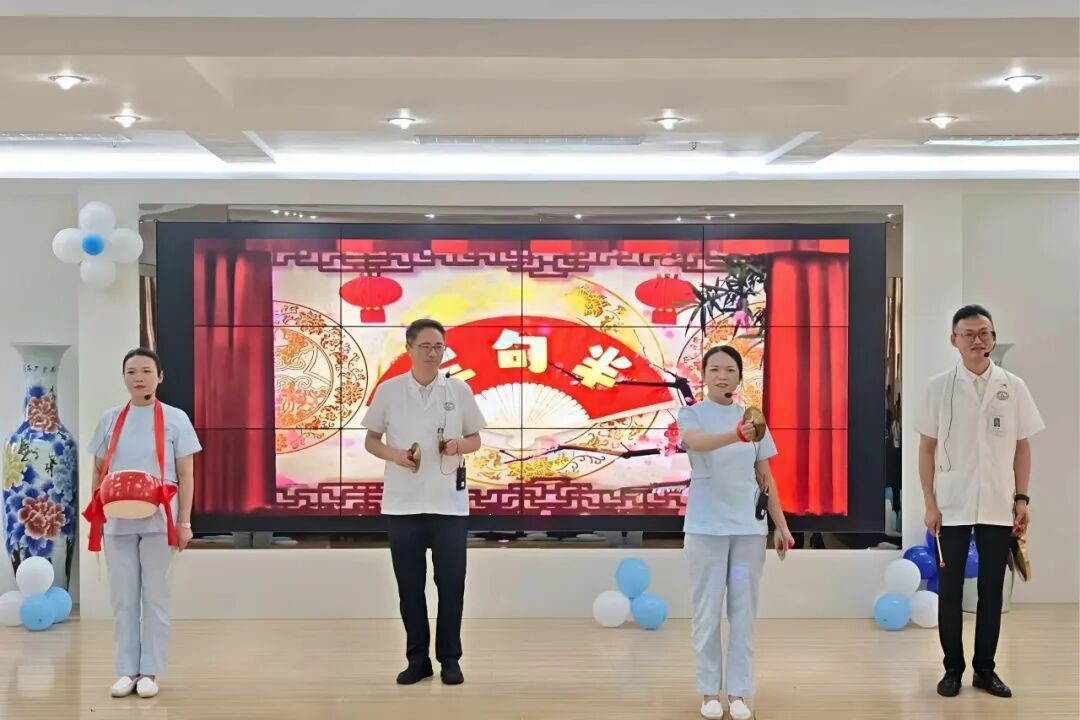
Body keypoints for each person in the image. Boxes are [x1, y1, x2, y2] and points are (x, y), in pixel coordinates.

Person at [917, 305, 1044, 699]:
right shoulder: (939, 387)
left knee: (991, 589)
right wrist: (930, 503)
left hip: (997, 502)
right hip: (951, 504)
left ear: (993, 337)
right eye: (968, 333)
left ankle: (985, 670)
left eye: (984, 333)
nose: (977, 340)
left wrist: (1021, 497)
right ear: (953, 340)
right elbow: (926, 448)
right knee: (950, 590)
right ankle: (952, 669)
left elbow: (1022, 446)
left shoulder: (1013, 386)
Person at [362, 319, 486, 686]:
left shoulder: (458, 389)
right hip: (403, 505)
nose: (433, 353)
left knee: (451, 585)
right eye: (425, 346)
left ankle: (450, 659)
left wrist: (458, 445)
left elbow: (475, 438)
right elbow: (371, 440)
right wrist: (395, 455)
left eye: (438, 347)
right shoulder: (389, 390)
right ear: (409, 349)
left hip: (449, 506)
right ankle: (417, 660)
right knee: (410, 587)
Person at [677, 345, 795, 720]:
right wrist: (736, 435)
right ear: (703, 374)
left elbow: (765, 476)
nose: (722, 376)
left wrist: (781, 525)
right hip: (705, 530)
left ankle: (739, 692)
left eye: (730, 369)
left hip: (747, 531)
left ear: (740, 376)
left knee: (743, 613)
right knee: (707, 612)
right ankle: (709, 691)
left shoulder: (753, 418)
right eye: (714, 369)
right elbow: (697, 443)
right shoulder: (691, 414)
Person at [86, 348, 202, 699]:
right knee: (123, 598)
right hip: (117, 517)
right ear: (123, 377)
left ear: (160, 377)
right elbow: (98, 470)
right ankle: (126, 671)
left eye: (146, 371)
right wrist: (97, 514)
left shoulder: (176, 418)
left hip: (160, 518)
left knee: (155, 597)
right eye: (132, 371)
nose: (139, 378)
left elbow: (186, 474)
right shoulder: (109, 419)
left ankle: (150, 671)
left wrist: (184, 521)